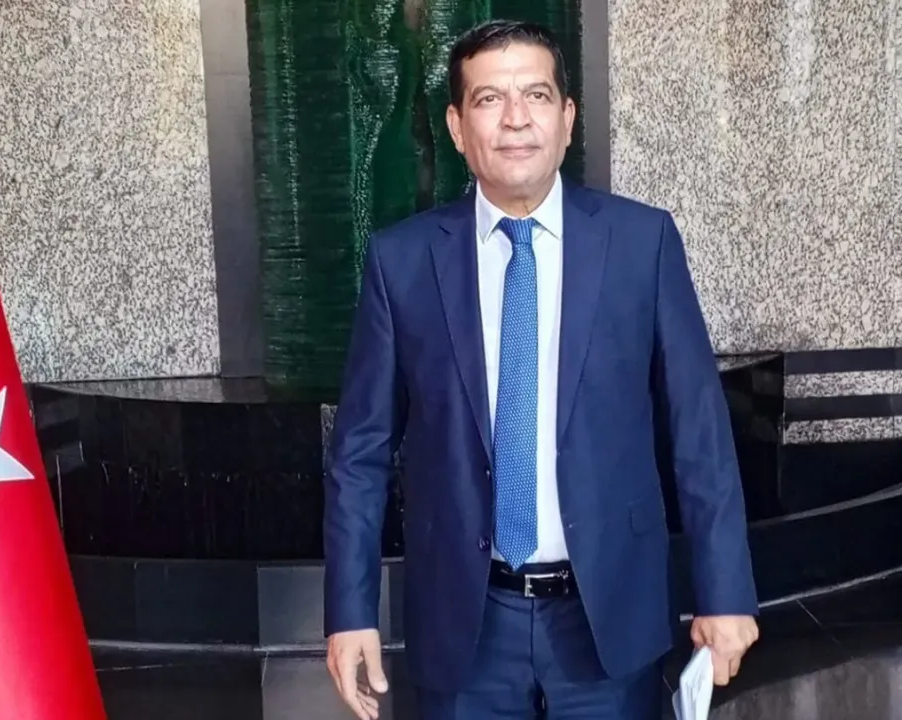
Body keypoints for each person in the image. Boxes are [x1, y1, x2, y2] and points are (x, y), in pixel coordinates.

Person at [322, 19, 760, 720]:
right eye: (489, 99)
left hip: (607, 616)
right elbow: (360, 452)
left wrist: (726, 592)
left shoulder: (641, 243)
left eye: (536, 94)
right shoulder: (402, 262)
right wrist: (350, 613)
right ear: (457, 127)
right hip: (466, 623)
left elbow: (699, 432)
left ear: (567, 118)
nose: (516, 118)